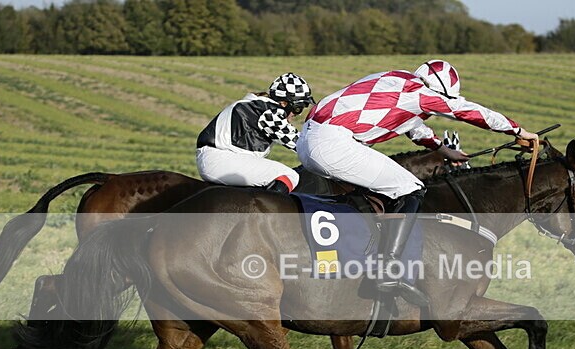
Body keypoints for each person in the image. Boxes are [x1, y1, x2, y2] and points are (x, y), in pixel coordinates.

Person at [296, 59, 539, 306]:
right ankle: (389, 269)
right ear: (436, 90)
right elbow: (467, 111)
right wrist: (518, 131)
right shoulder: (421, 93)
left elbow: (412, 126)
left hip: (307, 141)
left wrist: (442, 149)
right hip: (333, 144)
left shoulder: (396, 78)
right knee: (410, 188)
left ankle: (359, 253)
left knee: (373, 191)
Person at [196, 73, 315, 194]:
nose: (297, 114)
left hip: (216, 159)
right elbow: (300, 144)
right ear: (284, 103)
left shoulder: (256, 104)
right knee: (289, 175)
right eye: (298, 108)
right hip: (221, 161)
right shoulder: (268, 112)